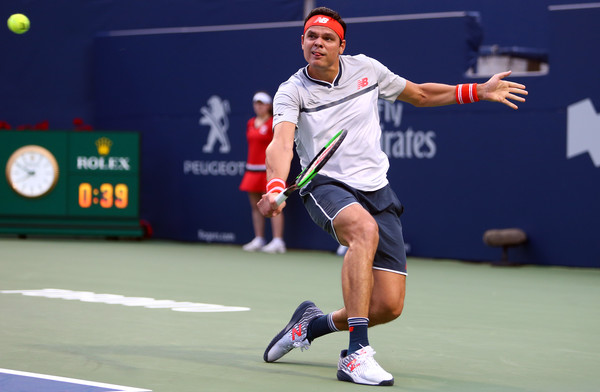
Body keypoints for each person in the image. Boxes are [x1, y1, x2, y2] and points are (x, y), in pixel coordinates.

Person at [258, 7, 528, 386]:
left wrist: (477, 91)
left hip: (377, 188)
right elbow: (281, 144)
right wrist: (274, 188)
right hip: (326, 186)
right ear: (302, 41)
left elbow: (418, 94)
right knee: (362, 231)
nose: (317, 43)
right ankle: (355, 356)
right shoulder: (292, 91)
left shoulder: (366, 69)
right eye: (311, 37)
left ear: (342, 46)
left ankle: (311, 326)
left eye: (327, 38)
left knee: (387, 305)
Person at [240, 91, 286, 254]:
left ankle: (278, 241)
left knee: (274, 205)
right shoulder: (250, 122)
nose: (258, 106)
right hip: (252, 169)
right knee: (256, 207)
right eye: (256, 103)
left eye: (262, 103)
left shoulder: (274, 123)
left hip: (269, 170)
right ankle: (259, 239)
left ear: (268, 106)